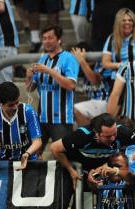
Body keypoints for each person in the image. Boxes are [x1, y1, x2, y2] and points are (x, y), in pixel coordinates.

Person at [50, 113, 135, 188]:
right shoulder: (82, 136)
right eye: (108, 136)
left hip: (95, 169)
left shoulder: (121, 132)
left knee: (85, 203)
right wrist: (70, 170)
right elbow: (54, 148)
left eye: (114, 133)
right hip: (75, 169)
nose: (113, 138)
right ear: (97, 134)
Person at [26, 25, 80, 158]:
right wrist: (28, 77)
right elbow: (30, 88)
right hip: (41, 118)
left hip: (61, 119)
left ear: (59, 39)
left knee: (64, 156)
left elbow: (71, 85)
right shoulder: (42, 59)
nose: (47, 41)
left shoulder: (68, 58)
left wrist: (49, 71)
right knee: (32, 154)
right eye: (44, 38)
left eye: (50, 38)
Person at [0, 82, 42, 171]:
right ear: (0, 103)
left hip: (27, 160)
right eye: (11, 105)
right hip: (3, 162)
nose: (15, 107)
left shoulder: (28, 111)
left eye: (17, 102)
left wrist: (27, 153)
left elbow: (37, 141)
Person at [101, 8, 135, 90]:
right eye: (123, 20)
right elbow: (105, 62)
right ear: (118, 23)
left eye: (130, 20)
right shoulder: (112, 39)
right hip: (117, 79)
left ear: (134, 23)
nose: (127, 22)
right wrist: (121, 65)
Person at [71, 43, 110, 126]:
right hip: (93, 104)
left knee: (75, 109)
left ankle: (91, 135)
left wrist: (82, 60)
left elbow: (94, 80)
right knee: (72, 123)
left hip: (104, 101)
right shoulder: (80, 69)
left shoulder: (100, 63)